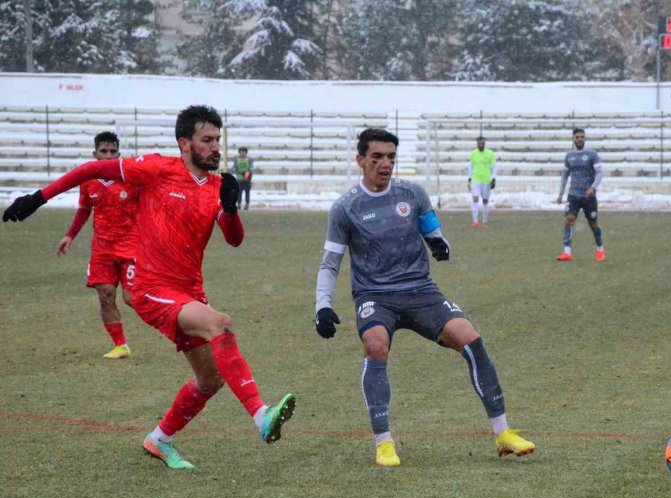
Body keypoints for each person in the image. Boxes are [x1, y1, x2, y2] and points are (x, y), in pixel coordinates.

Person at [3, 105, 296, 469]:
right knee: (219, 323)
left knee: (210, 380)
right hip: (150, 287)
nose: (216, 147)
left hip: (190, 291)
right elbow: (94, 169)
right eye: (207, 140)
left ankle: (159, 440)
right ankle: (261, 416)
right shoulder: (157, 169)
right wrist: (39, 197)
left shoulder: (218, 185)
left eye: (217, 139)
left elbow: (234, 240)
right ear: (185, 144)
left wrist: (231, 209)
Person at [314, 128, 535, 467]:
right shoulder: (345, 208)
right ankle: (384, 443)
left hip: (421, 291)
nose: (385, 164)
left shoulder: (412, 193)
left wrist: (438, 241)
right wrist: (323, 306)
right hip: (376, 296)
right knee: (375, 345)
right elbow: (330, 263)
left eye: (390, 157)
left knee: (470, 338)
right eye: (377, 158)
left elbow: (431, 224)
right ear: (361, 161)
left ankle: (503, 433)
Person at [56, 131, 139, 359]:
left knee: (133, 299)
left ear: (119, 154)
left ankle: (182, 328)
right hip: (102, 248)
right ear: (95, 154)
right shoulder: (88, 180)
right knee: (105, 294)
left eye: (113, 151)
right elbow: (84, 209)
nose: (108, 155)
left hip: (131, 246)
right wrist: (70, 235)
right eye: (104, 151)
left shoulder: (131, 177)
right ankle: (121, 345)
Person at [556, 128, 604, 262]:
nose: (580, 139)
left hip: (589, 197)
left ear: (585, 138)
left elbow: (600, 173)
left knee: (593, 224)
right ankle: (567, 252)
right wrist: (561, 193)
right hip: (573, 195)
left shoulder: (592, 154)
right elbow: (565, 175)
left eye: (582, 137)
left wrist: (593, 187)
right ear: (573, 139)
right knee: (569, 220)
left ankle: (600, 248)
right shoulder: (569, 156)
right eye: (577, 137)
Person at [468, 136, 496, 228]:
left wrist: (494, 179)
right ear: (477, 144)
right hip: (476, 181)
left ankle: (484, 221)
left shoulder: (490, 154)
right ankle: (475, 221)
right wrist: (469, 178)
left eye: (482, 144)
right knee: (475, 199)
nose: (480, 145)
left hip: (486, 181)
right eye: (479, 143)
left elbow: (494, 167)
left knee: (485, 201)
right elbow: (471, 166)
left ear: (484, 144)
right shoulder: (473, 154)